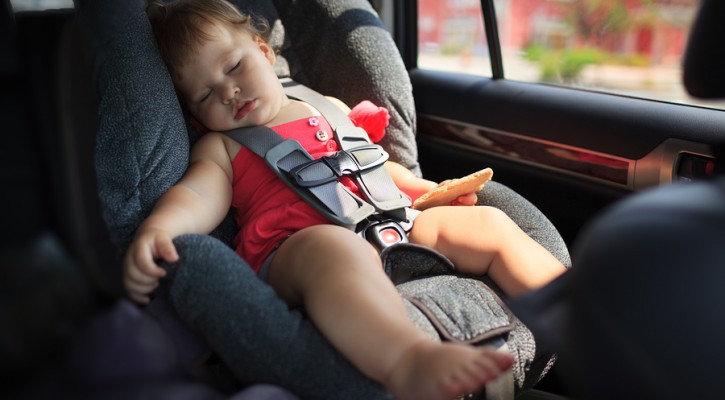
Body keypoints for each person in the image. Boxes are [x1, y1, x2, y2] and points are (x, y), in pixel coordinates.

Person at [123, 0, 566, 399]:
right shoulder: (223, 148)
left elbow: (374, 167)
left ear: (264, 51)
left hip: (389, 223)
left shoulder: (325, 105)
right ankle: (407, 361)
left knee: (486, 222)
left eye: (233, 66)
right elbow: (196, 195)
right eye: (205, 94)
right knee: (336, 248)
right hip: (299, 247)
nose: (228, 91)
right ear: (195, 115)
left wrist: (427, 193)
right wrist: (160, 228)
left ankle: (574, 311)